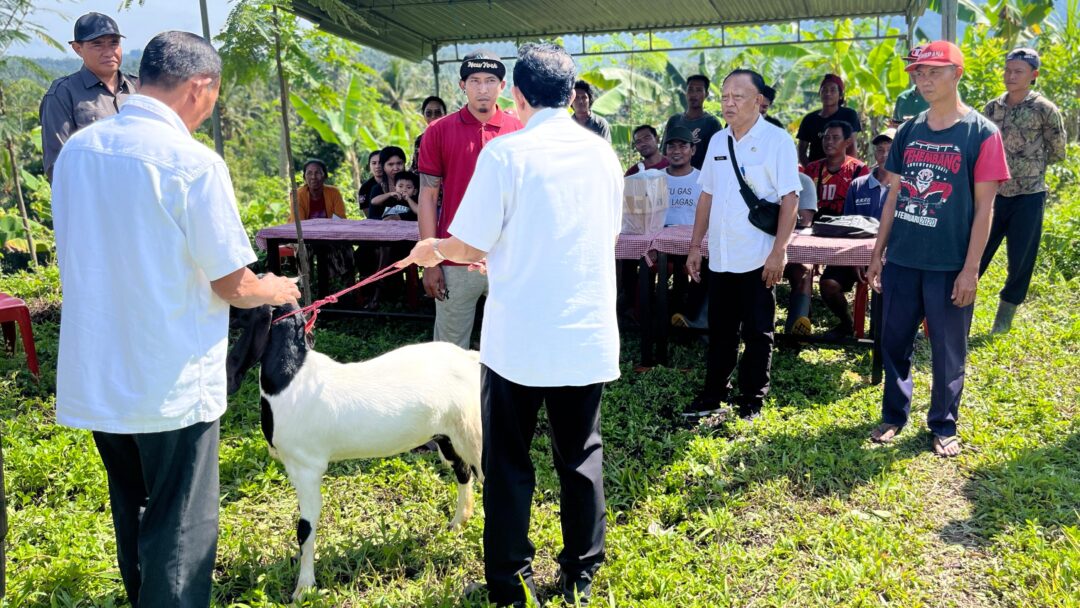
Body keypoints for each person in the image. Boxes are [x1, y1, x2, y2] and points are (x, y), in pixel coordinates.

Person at [51, 31, 300, 607]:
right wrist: (274, 288)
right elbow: (232, 283)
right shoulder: (192, 162)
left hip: (99, 371)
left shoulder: (79, 152)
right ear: (199, 87)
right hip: (169, 377)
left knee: (134, 506)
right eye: (214, 96)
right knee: (180, 525)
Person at [400, 42, 622, 608]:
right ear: (571, 94)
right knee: (579, 457)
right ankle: (580, 573)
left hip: (519, 341)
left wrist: (430, 248)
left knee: (507, 462)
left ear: (517, 95)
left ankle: (509, 580)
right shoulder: (602, 155)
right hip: (584, 332)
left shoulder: (508, 154)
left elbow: (469, 242)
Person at [866, 41, 1010, 457]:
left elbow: (986, 208)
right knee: (893, 340)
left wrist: (970, 270)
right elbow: (893, 195)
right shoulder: (909, 129)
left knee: (948, 348)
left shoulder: (982, 133)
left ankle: (944, 423)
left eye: (934, 71)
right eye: (918, 72)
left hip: (948, 263)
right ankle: (894, 415)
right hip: (904, 259)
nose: (923, 79)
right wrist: (878, 253)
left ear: (957, 74)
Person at [683, 68, 800, 420]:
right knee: (720, 330)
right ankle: (714, 392)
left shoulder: (777, 141)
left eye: (738, 96)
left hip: (758, 255)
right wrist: (694, 246)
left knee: (758, 331)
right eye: (725, 96)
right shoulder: (718, 141)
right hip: (721, 254)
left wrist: (779, 252)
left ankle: (752, 398)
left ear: (758, 101)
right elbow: (706, 195)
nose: (729, 103)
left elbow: (790, 200)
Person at [417, 50, 523, 348]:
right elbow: (428, 196)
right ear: (462, 85)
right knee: (448, 350)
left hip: (507, 257)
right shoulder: (438, 131)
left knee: (513, 344)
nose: (483, 89)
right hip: (453, 256)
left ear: (503, 87)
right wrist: (430, 261)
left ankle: (501, 396)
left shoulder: (519, 130)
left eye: (491, 81)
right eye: (474, 81)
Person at [979, 47, 1067, 334]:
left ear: (1034, 76)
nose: (1010, 76)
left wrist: (1029, 165)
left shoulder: (1045, 109)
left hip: (1029, 195)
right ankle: (954, 307)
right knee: (975, 252)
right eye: (1008, 70)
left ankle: (1003, 321)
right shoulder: (992, 108)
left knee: (1021, 261)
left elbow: (1057, 151)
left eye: (1018, 71)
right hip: (993, 195)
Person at [785, 120, 869, 335]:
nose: (829, 141)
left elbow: (863, 213)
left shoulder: (859, 170)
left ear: (848, 142)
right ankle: (801, 320)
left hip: (845, 239)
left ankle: (847, 324)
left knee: (829, 285)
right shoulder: (812, 169)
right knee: (800, 271)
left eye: (835, 137)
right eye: (826, 137)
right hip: (810, 236)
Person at [40, 12, 138, 181]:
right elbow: (58, 164)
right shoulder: (63, 94)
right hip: (95, 200)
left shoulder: (138, 88)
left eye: (114, 43)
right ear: (78, 49)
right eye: (97, 44)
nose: (108, 52)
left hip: (142, 197)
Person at [819, 128, 894, 338]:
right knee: (828, 284)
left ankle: (884, 333)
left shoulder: (907, 187)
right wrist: (855, 258)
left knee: (894, 291)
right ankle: (847, 323)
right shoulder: (858, 185)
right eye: (880, 150)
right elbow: (848, 226)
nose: (885, 155)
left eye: (890, 150)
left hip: (892, 258)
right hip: (856, 254)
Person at [796, 74, 862, 166]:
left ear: (840, 95)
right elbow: (801, 152)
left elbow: (851, 146)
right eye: (824, 90)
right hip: (815, 175)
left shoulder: (849, 115)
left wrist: (847, 172)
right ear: (820, 93)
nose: (828, 93)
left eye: (833, 90)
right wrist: (811, 172)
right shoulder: (809, 119)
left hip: (842, 173)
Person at [662, 75, 723, 170]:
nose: (693, 94)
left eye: (698, 90)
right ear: (686, 93)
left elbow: (718, 157)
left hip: (702, 179)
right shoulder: (674, 120)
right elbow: (665, 153)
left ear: (706, 94)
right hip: (675, 177)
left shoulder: (712, 123)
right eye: (690, 90)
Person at [891, 45, 930, 127]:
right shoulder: (902, 98)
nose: (913, 71)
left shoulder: (940, 97)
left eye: (917, 66)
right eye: (910, 64)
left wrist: (915, 123)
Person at [366, 145, 407, 220]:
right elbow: (372, 218)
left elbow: (423, 212)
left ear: (404, 163)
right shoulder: (377, 189)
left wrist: (399, 217)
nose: (396, 168)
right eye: (390, 164)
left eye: (399, 163)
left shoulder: (416, 184)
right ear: (383, 166)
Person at [411, 95, 447, 172]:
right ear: (423, 116)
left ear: (445, 114)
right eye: (428, 113)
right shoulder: (420, 140)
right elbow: (415, 168)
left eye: (438, 112)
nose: (433, 116)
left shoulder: (453, 137)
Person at [357, 149, 382, 215]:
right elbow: (367, 213)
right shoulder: (365, 188)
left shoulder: (397, 183)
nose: (377, 166)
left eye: (380, 162)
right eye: (374, 163)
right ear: (369, 166)